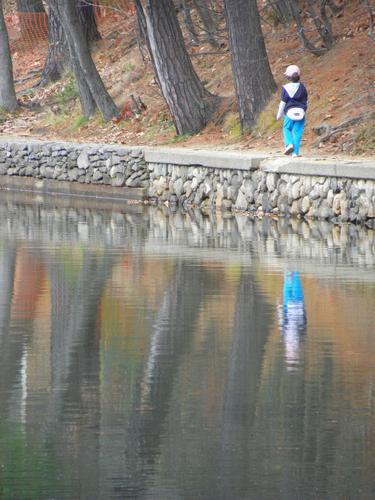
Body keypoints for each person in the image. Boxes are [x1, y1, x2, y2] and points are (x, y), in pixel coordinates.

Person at [276, 65, 308, 157]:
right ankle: (295, 153)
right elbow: (306, 101)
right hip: (301, 113)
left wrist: (279, 114)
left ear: (288, 77)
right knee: (297, 132)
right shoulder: (302, 87)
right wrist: (304, 111)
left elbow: (283, 103)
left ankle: (289, 144)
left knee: (286, 128)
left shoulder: (285, 88)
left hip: (289, 113)